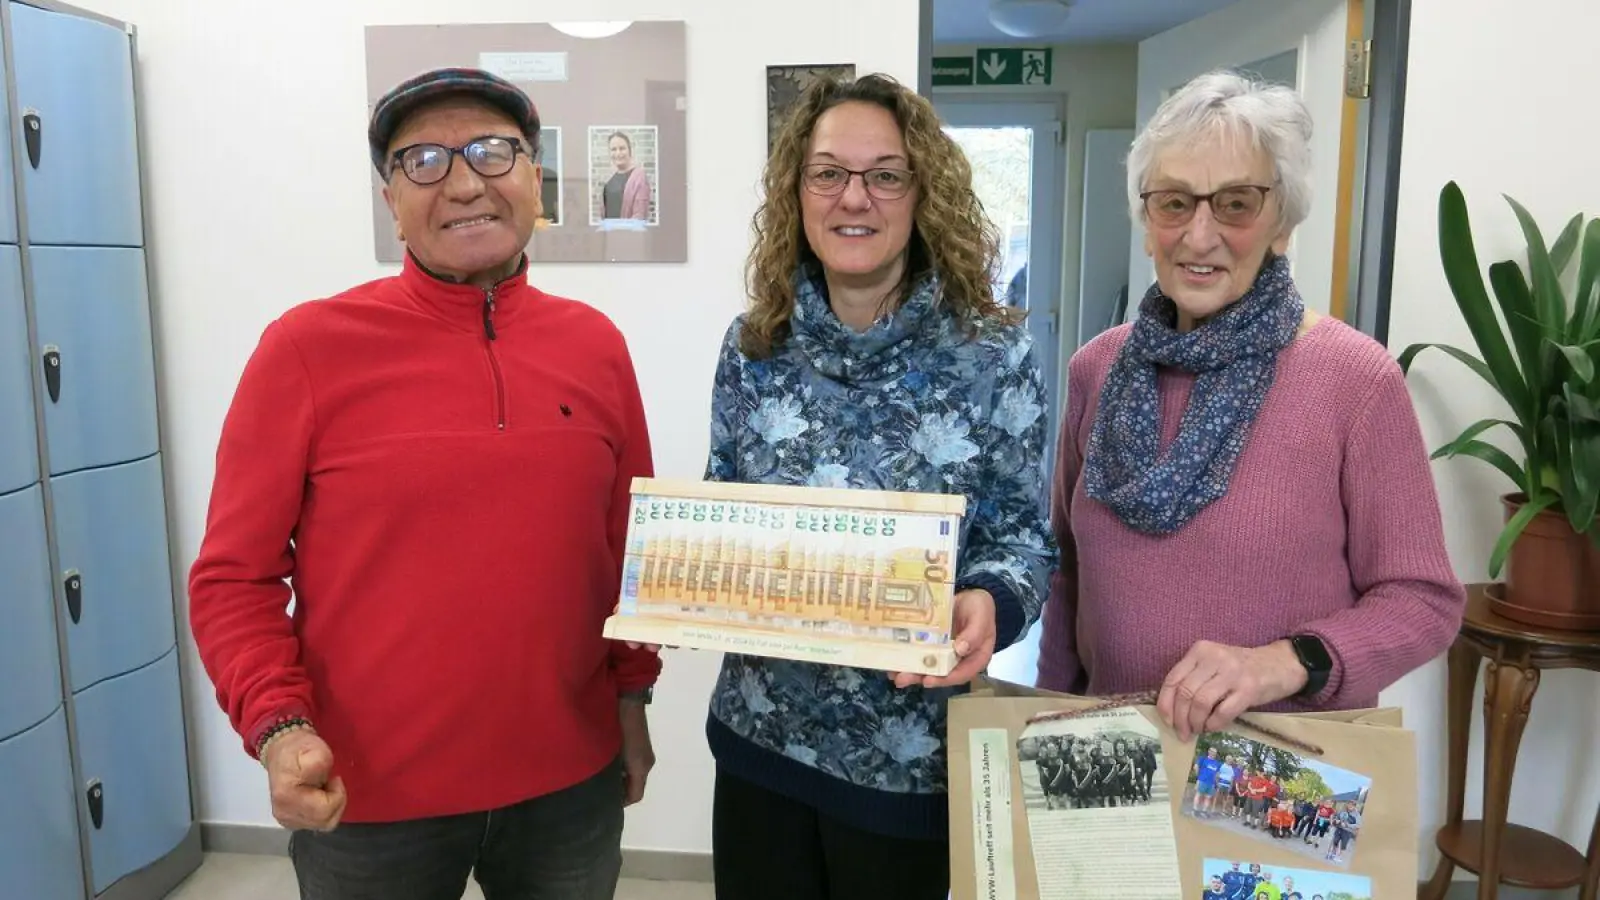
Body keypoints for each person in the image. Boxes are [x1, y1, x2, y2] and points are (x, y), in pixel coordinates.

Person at [186, 67, 660, 900]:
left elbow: (630, 551)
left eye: (492, 151)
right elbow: (235, 577)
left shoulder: (597, 346)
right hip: (367, 800)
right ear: (390, 199)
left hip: (567, 790)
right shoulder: (305, 350)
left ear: (534, 178)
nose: (466, 181)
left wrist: (633, 703)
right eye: (425, 161)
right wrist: (280, 728)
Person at [698, 72, 1054, 899]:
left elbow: (1025, 543)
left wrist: (991, 607)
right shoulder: (753, 346)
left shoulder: (992, 356)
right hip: (761, 741)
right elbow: (726, 506)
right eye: (829, 173)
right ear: (798, 192)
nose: (854, 197)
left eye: (885, 174)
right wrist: (689, 580)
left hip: (911, 760)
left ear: (921, 193)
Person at [1035, 68, 1466, 738]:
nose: (1199, 235)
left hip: (1274, 786)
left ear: (1282, 223)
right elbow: (1070, 576)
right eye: (1173, 202)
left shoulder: (1356, 381)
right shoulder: (1096, 368)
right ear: (1148, 224)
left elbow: (1424, 602)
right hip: (1115, 773)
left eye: (1235, 203)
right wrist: (1044, 725)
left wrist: (1285, 663)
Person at [600, 131, 652, 220]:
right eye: (613, 149)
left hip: (627, 232)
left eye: (622, 148)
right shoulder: (609, 181)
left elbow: (640, 215)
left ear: (629, 151)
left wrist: (624, 231)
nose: (618, 153)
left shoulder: (639, 178)